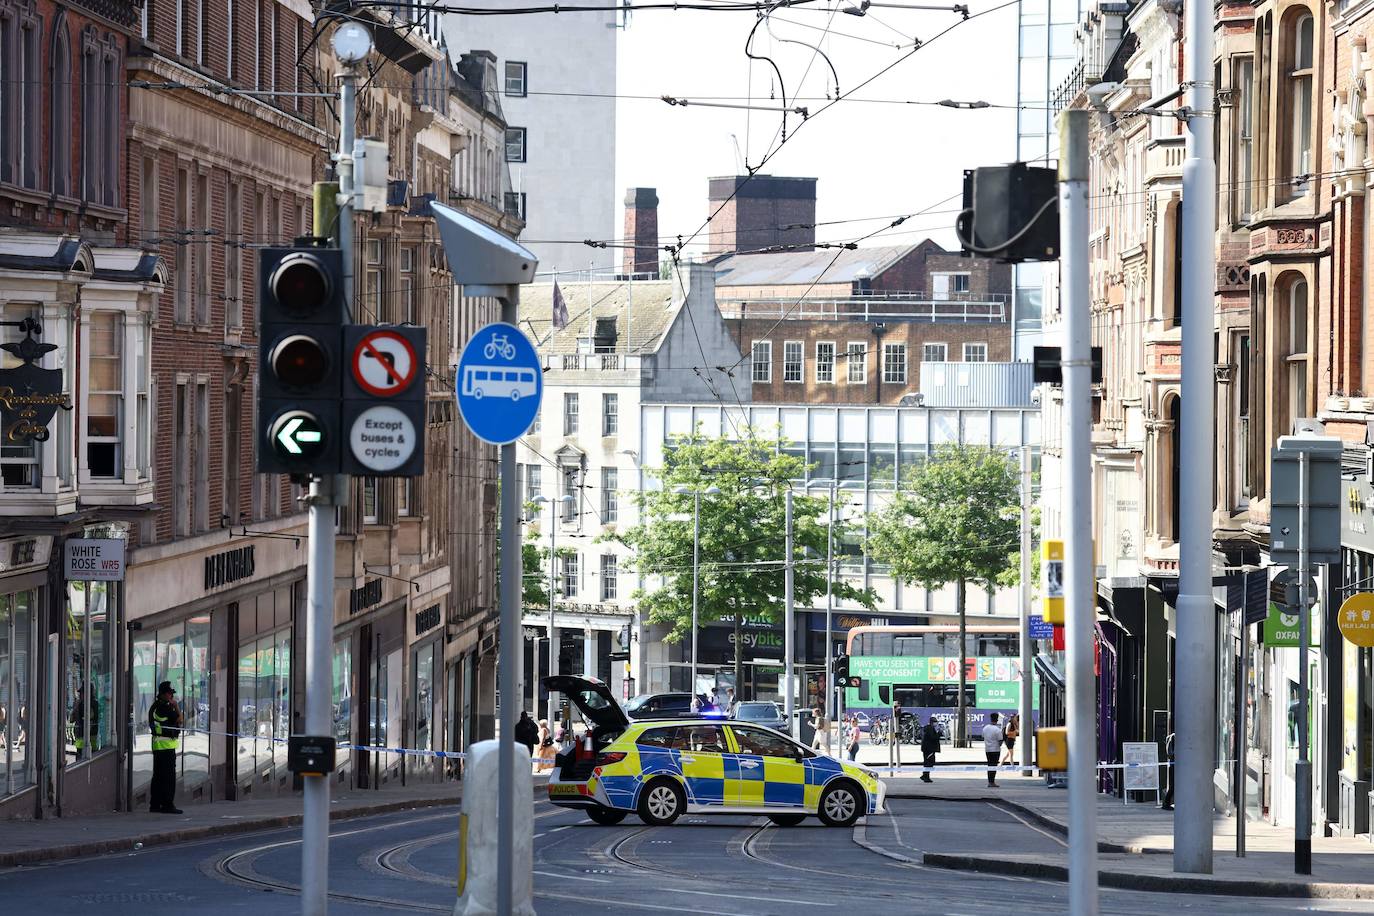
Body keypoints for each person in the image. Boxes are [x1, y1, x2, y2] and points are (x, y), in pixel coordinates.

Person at [148, 681, 183, 814]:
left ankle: (155, 804)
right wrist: (176, 706)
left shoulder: (155, 707)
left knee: (158, 777)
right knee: (168, 777)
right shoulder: (164, 708)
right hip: (166, 747)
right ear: (163, 694)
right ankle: (168, 804)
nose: (171, 697)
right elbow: (180, 720)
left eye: (171, 694)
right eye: (169, 694)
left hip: (159, 747)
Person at [982, 712, 1005, 787]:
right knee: (994, 766)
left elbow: (983, 737)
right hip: (995, 750)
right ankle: (992, 782)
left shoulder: (985, 728)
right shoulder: (997, 730)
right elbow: (1000, 741)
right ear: (997, 719)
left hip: (987, 750)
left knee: (989, 765)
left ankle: (990, 781)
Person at [921, 715, 942, 782]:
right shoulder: (930, 729)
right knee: (929, 762)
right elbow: (933, 737)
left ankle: (926, 776)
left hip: (927, 748)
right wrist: (939, 733)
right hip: (929, 749)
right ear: (932, 722)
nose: (936, 723)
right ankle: (925, 776)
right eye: (935, 722)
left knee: (928, 762)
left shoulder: (928, 728)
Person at [1160, 731, 1175, 810]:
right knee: (1173, 785)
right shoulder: (1173, 737)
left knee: (1174, 785)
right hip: (1174, 765)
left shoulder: (1172, 737)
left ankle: (1167, 802)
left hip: (1174, 764)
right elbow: (1170, 753)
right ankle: (1166, 803)